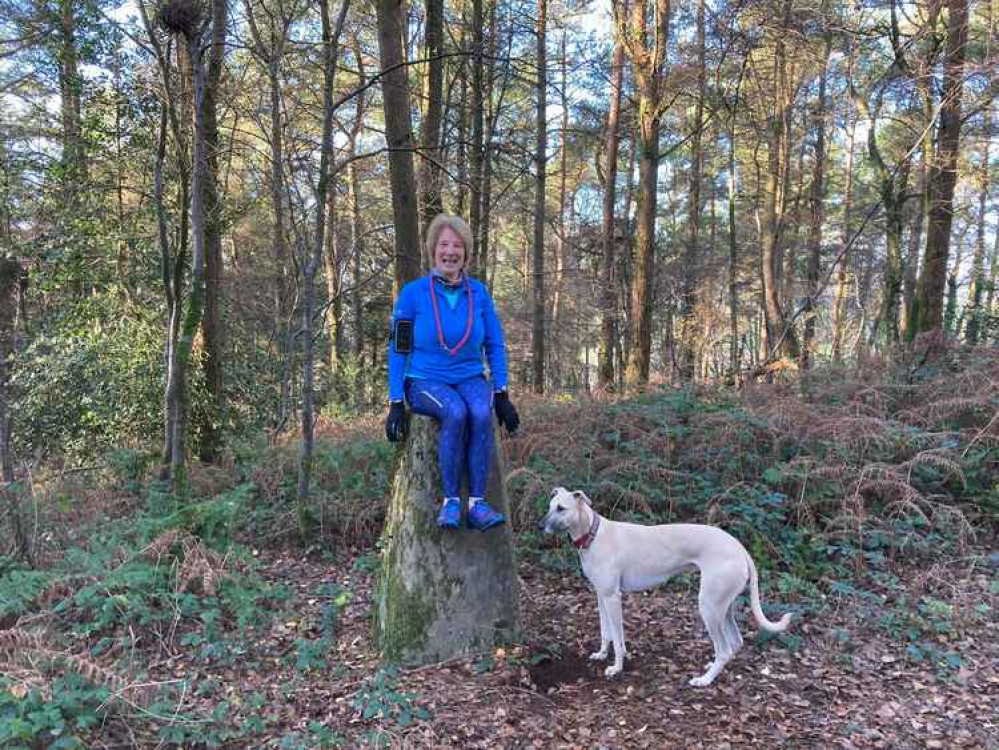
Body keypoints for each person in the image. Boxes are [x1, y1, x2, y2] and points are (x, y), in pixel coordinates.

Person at [384, 214, 520, 531]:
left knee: (480, 412)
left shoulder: (479, 293)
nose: (450, 251)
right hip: (424, 381)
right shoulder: (413, 294)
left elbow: (495, 345)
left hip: (470, 377)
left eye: (457, 245)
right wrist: (394, 403)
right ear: (433, 251)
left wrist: (501, 393)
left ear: (466, 253)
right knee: (456, 412)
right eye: (444, 244)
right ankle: (450, 503)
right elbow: (398, 349)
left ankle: (477, 504)